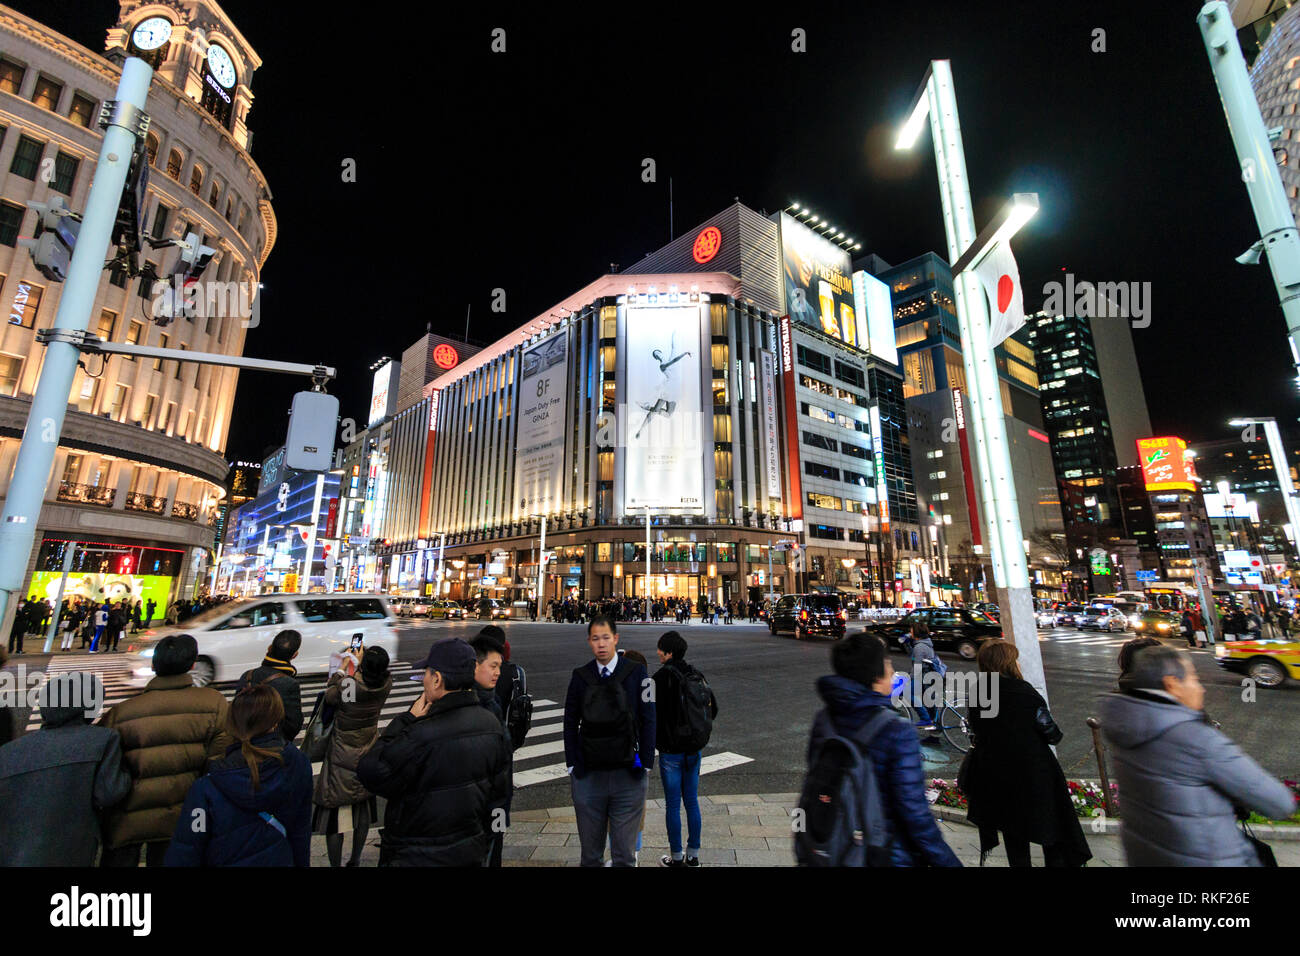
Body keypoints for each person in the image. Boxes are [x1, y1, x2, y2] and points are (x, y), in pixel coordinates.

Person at [1099, 644, 1296, 865]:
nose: (1201, 688)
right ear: (1172, 684)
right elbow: (1278, 803)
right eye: (1193, 679)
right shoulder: (1196, 739)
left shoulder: (1125, 728)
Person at [807, 632, 961, 866]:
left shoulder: (824, 720)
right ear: (875, 676)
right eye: (887, 664)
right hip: (887, 854)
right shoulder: (897, 730)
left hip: (834, 845)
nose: (891, 671)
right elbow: (915, 813)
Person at [357, 638, 510, 866]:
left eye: (427, 673)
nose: (424, 680)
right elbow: (498, 797)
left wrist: (405, 720)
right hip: (468, 850)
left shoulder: (421, 733)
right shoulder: (493, 725)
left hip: (416, 853)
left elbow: (371, 772)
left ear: (437, 679)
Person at [98, 635, 231, 866]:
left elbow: (106, 767)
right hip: (182, 811)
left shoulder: (121, 713)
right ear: (192, 665)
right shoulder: (215, 703)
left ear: (153, 665)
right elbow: (217, 760)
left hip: (127, 815)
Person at [963, 640, 1091, 867]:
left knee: (1014, 834)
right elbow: (1051, 733)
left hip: (995, 773)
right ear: (1009, 663)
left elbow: (975, 730)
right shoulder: (1024, 693)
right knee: (1051, 829)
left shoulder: (979, 692)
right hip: (1032, 771)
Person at [165, 684, 312, 866]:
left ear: (232, 724)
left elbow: (188, 847)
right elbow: (300, 833)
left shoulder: (207, 786)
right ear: (275, 722)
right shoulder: (297, 764)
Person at [0, 672, 130, 865]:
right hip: (70, 849)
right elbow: (109, 792)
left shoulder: (8, 751)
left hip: (14, 853)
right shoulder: (102, 740)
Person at [563, 616, 656, 867]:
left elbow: (650, 717)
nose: (601, 644)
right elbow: (569, 721)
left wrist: (646, 763)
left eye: (606, 638)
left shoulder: (639, 673)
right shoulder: (580, 676)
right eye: (595, 639)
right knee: (590, 855)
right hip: (588, 774)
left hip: (629, 773)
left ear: (616, 639)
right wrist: (572, 764)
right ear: (589, 642)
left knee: (624, 856)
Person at [312, 644, 391, 867]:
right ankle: (355, 859)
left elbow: (330, 696)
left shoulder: (350, 685)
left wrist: (344, 668)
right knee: (363, 806)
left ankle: (336, 863)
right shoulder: (386, 684)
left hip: (341, 752)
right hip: (368, 747)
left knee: (336, 816)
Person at [653, 631, 718, 867]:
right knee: (692, 801)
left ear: (669, 652)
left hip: (671, 750)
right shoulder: (696, 674)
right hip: (693, 749)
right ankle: (693, 855)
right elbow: (714, 708)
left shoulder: (659, 678)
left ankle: (676, 856)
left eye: (661, 649)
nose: (658, 652)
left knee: (672, 804)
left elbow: (648, 714)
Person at [470, 629, 513, 867]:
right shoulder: (490, 704)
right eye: (493, 666)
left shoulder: (469, 700)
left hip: (473, 799)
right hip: (495, 793)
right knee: (493, 842)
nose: (496, 672)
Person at [235, 630, 304, 741]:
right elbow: (293, 724)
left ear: (269, 648)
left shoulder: (247, 675)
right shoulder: (289, 684)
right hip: (272, 744)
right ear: (295, 655)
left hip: (243, 741)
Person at [902, 621, 939, 731]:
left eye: (911, 631)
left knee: (908, 693)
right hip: (929, 676)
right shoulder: (924, 643)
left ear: (916, 633)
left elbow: (917, 666)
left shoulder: (920, 647)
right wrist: (907, 643)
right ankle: (934, 732)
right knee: (930, 705)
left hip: (924, 676)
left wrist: (910, 679)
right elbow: (913, 656)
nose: (910, 632)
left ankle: (925, 719)